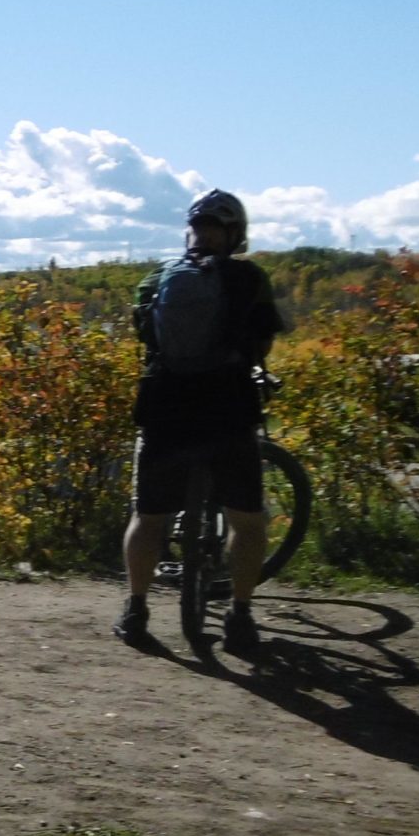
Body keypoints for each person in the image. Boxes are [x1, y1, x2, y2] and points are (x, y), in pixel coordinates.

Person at [114, 188, 287, 656]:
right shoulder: (249, 278)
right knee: (247, 521)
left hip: (165, 408)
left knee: (149, 519)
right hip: (228, 409)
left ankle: (135, 609)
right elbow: (263, 342)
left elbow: (146, 338)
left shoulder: (155, 280)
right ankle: (241, 615)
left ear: (190, 232)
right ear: (235, 234)